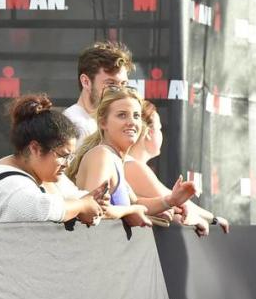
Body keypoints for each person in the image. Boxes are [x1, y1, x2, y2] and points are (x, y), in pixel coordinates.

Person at [66, 86, 195, 226]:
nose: (132, 122)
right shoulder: (101, 155)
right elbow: (92, 210)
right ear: (103, 122)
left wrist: (171, 201)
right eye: (122, 115)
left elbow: (135, 202)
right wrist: (132, 211)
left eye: (136, 116)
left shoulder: (113, 157)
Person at [0, 95, 106, 225]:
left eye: (71, 157)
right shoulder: (10, 185)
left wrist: (93, 202)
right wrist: (82, 206)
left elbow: (76, 197)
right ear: (35, 148)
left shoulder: (42, 174)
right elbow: (43, 209)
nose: (67, 164)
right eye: (63, 156)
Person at [125, 100, 229, 236]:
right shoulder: (132, 165)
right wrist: (213, 219)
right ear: (149, 133)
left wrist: (211, 218)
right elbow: (174, 200)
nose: (162, 134)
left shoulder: (133, 165)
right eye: (160, 129)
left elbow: (173, 202)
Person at [65, 41, 134, 143]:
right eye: (111, 84)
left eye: (123, 84)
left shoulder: (101, 123)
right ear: (86, 82)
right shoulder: (76, 126)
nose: (119, 92)